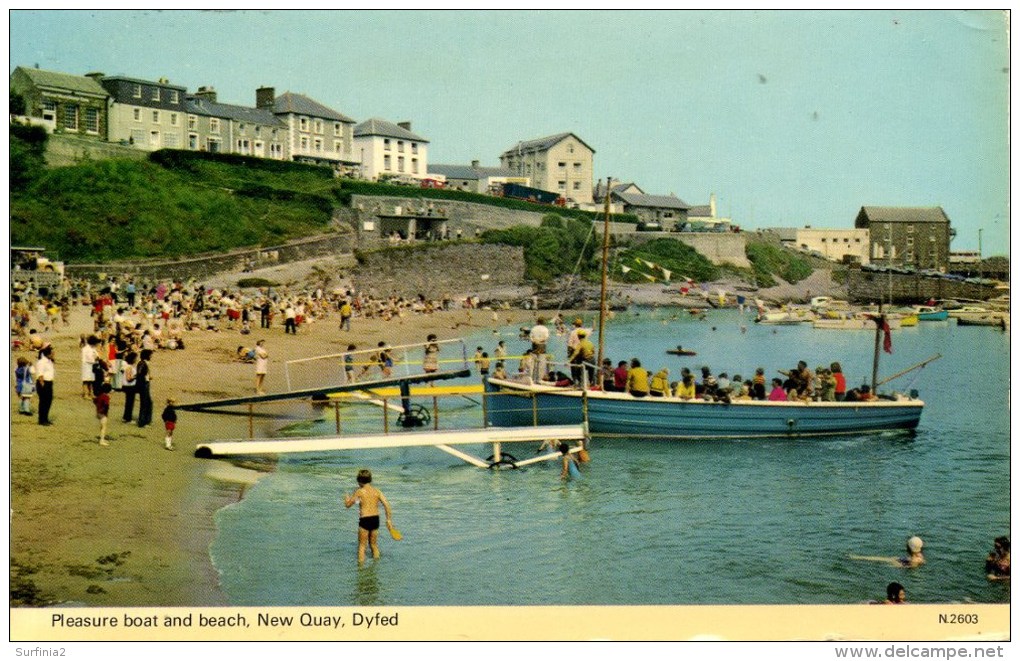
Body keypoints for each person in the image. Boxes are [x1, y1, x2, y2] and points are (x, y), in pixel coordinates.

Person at [343, 469, 394, 564]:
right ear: (370, 480)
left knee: (362, 546)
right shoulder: (377, 491)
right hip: (375, 519)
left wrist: (346, 499)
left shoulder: (359, 492)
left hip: (365, 519)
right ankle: (376, 565)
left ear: (359, 481)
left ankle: (361, 570)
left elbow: (348, 505)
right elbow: (387, 504)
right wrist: (389, 520)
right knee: (373, 545)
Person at [851, 536, 926, 568]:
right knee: (885, 560)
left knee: (884, 561)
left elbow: (911, 566)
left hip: (904, 563)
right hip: (904, 561)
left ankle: (858, 558)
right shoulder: (919, 556)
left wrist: (898, 566)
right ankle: (858, 558)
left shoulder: (914, 560)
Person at [35, 345, 56, 426]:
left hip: (49, 383)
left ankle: (45, 418)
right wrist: (43, 385)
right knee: (43, 402)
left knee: (48, 402)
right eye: (52, 353)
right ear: (48, 354)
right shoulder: (42, 362)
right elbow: (40, 374)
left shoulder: (49, 361)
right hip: (44, 383)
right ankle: (42, 420)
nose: (53, 355)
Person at [135, 349, 154, 428]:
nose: (151, 356)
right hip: (143, 384)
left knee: (148, 402)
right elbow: (139, 374)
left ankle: (146, 420)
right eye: (150, 355)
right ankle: (143, 421)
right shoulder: (142, 363)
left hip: (145, 383)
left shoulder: (144, 363)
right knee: (145, 403)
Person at [121, 351, 138, 423]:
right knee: (129, 403)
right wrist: (136, 376)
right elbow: (128, 379)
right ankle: (128, 418)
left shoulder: (127, 366)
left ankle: (127, 417)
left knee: (129, 402)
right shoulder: (129, 367)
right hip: (129, 386)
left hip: (127, 386)